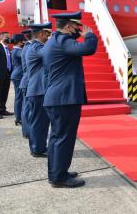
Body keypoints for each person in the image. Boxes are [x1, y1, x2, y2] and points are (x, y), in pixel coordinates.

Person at [43, 12, 98, 188]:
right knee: (64, 138)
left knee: (57, 138)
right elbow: (88, 49)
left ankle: (58, 172)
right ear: (68, 27)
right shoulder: (62, 41)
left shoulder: (53, 41)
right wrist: (89, 35)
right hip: (64, 99)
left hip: (57, 98)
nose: (78, 30)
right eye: (77, 27)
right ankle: (59, 178)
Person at [26, 23, 52, 158]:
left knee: (39, 121)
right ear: (41, 34)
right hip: (38, 90)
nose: (49, 37)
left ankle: (38, 147)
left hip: (37, 89)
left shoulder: (35, 46)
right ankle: (38, 149)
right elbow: (49, 53)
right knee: (39, 122)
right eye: (47, 34)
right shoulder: (37, 47)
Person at [19, 29, 33, 139]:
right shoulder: (29, 48)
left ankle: (26, 131)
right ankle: (28, 132)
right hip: (29, 81)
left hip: (26, 80)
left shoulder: (26, 47)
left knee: (26, 108)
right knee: (28, 109)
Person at [11, 34, 25, 126]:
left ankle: (19, 117)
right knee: (19, 97)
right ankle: (18, 118)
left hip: (18, 75)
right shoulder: (17, 51)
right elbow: (26, 56)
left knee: (19, 97)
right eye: (23, 41)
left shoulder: (17, 50)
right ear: (20, 42)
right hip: (19, 75)